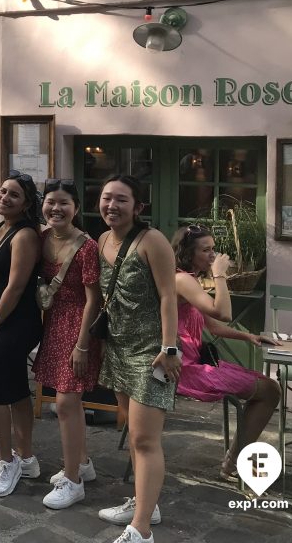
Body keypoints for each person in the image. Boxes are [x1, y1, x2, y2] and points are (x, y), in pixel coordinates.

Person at [94, 175, 181, 543]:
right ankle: (147, 505)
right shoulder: (101, 240)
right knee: (132, 431)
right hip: (117, 348)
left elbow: (168, 297)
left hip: (151, 354)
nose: (111, 205)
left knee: (146, 440)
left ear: (138, 207)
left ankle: (141, 530)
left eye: (121, 200)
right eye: (106, 198)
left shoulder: (152, 241)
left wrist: (170, 347)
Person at [171, 224, 280, 477]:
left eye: (213, 249)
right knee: (270, 391)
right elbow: (224, 312)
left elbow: (213, 325)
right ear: (188, 253)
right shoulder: (182, 280)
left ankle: (235, 458)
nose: (212, 255)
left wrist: (248, 335)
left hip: (193, 363)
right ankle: (234, 462)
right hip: (183, 369)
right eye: (205, 250)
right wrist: (219, 275)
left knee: (269, 388)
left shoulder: (189, 279)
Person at [31, 179, 102, 509]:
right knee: (66, 404)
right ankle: (83, 465)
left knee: (65, 405)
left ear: (76, 208)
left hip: (77, 327)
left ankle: (73, 482)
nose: (56, 208)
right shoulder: (42, 238)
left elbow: (93, 300)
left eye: (64, 203)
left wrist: (83, 344)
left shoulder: (87, 247)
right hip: (54, 324)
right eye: (50, 202)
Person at [0, 171, 43, 497]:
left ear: (27, 204)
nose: (4, 198)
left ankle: (7, 461)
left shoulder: (25, 235)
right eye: (3, 191)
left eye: (14, 195)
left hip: (17, 322)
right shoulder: (0, 227)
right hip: (3, 320)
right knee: (16, 389)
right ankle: (27, 457)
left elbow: (16, 286)